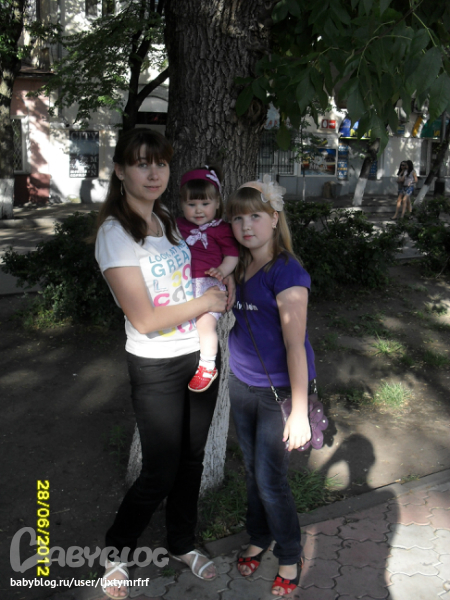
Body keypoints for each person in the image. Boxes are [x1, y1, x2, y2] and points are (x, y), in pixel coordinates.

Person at [94, 128, 233, 599]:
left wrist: (221, 284)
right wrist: (206, 303)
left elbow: (195, 276)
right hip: (155, 366)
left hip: (198, 356)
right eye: (141, 163)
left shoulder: (169, 221)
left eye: (161, 163)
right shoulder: (115, 235)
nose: (154, 173)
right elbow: (145, 318)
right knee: (159, 470)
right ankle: (116, 551)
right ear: (120, 171)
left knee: (192, 460)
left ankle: (180, 542)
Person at [226, 175, 316, 597]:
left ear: (275, 218)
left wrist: (299, 411)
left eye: (256, 216)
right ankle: (259, 536)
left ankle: (291, 553)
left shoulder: (287, 272)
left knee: (270, 480)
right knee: (252, 471)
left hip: (276, 393)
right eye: (238, 218)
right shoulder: (239, 263)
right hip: (241, 383)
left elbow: (296, 347)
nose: (246, 226)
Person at [177, 164, 239, 392]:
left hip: (209, 285)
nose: (198, 210)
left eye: (205, 204)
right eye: (191, 204)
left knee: (205, 324)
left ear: (217, 203)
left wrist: (223, 271)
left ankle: (207, 366)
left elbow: (232, 255)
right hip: (182, 284)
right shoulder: (177, 225)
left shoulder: (221, 229)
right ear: (182, 205)